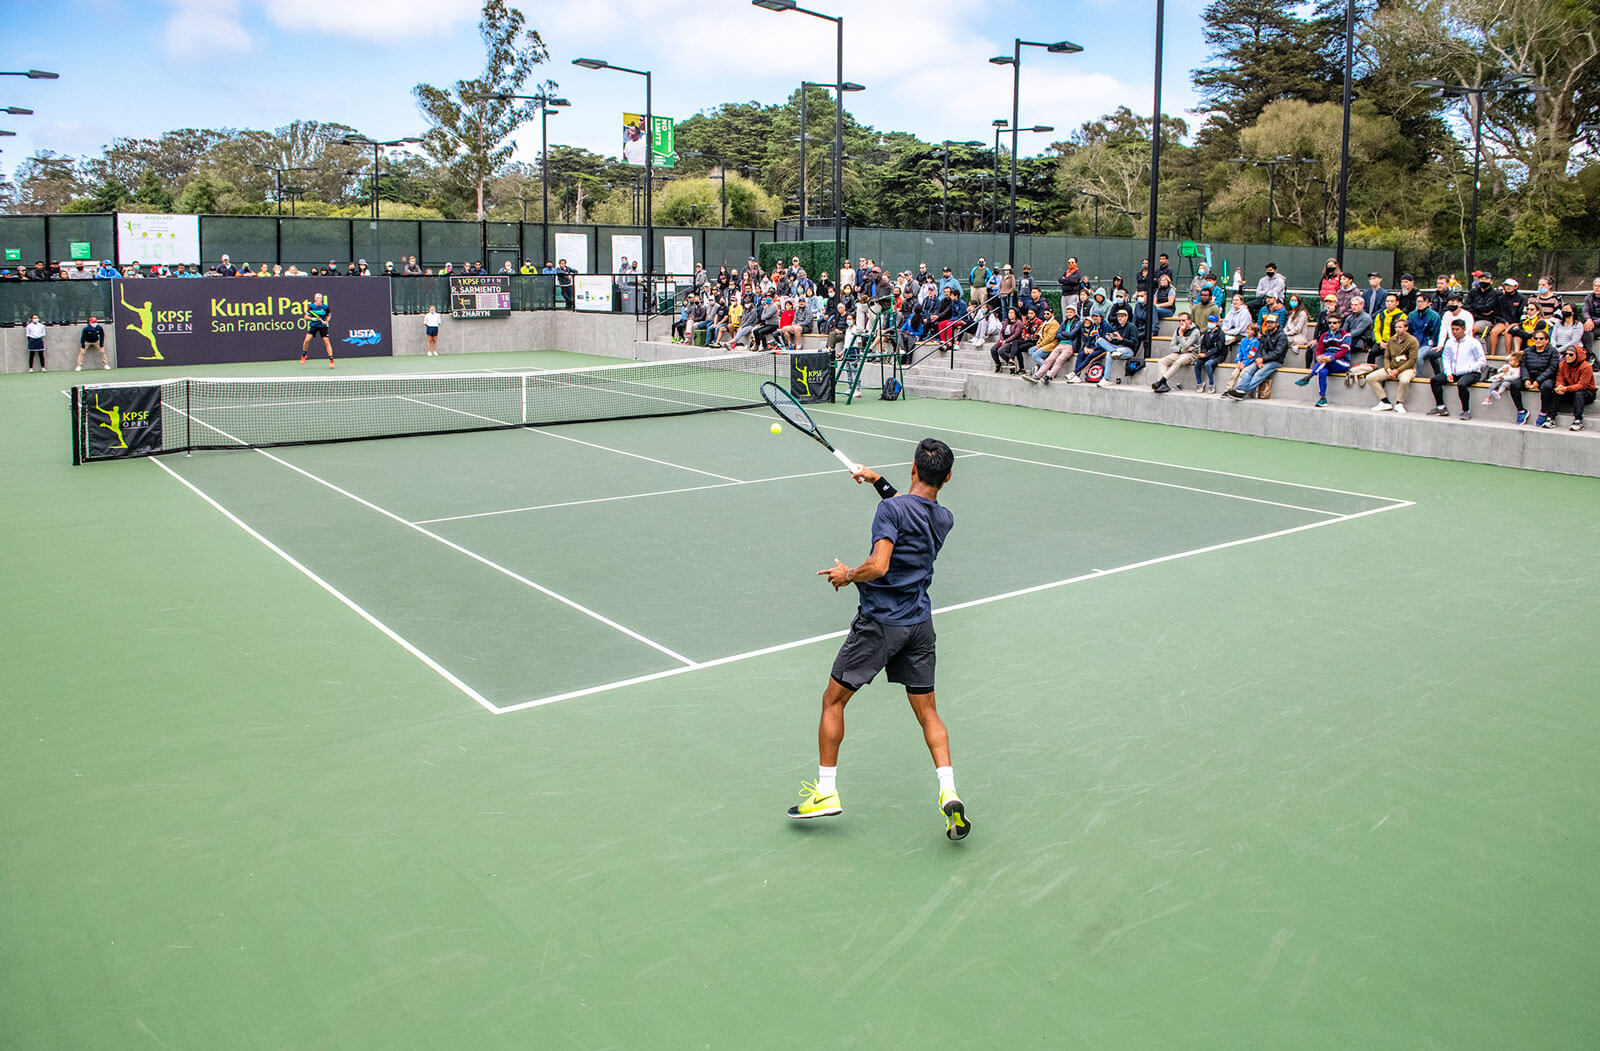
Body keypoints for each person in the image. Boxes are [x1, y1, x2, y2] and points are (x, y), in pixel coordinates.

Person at [787, 439, 968, 842]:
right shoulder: (944, 518)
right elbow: (912, 508)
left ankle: (826, 792)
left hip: (880, 625)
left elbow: (880, 564)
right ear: (949, 477)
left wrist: (848, 574)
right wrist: (877, 480)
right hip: (919, 625)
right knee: (929, 714)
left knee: (832, 700)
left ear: (914, 470)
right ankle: (949, 792)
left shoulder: (891, 510)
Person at [1427, 317, 1485, 419]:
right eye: (1453, 329)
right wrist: (1448, 372)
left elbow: (1482, 360)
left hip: (1471, 372)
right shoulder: (1450, 342)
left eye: (1457, 329)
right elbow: (1446, 358)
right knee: (1435, 380)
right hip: (1454, 372)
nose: (1454, 332)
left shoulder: (1473, 342)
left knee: (1462, 384)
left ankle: (1466, 411)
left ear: (1463, 329)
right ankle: (1441, 407)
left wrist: (1468, 368)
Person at [1224, 312, 1289, 400]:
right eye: (1268, 322)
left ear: (1276, 324)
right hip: (1262, 359)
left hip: (1275, 361)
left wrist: (1263, 359)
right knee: (1247, 370)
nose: (1269, 324)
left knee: (1259, 374)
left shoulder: (1282, 336)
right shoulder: (1265, 334)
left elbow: (1278, 352)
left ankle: (1242, 393)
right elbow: (1260, 349)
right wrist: (1258, 358)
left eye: (1271, 322)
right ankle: (1240, 389)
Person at [1363, 315, 1420, 413]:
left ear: (1406, 328)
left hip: (1406, 368)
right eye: (1396, 327)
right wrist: (1388, 369)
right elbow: (1386, 357)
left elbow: (1412, 360)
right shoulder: (1391, 340)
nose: (1398, 329)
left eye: (1400, 327)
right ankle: (1384, 401)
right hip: (1392, 367)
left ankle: (1399, 403)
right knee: (1370, 378)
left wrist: (1398, 371)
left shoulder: (1412, 341)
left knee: (1404, 380)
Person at [1295, 315, 1352, 407]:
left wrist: (1331, 358)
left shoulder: (1346, 335)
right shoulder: (1324, 335)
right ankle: (1323, 398)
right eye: (1330, 323)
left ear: (1340, 324)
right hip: (1327, 362)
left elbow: (1343, 352)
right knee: (1322, 371)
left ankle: (1309, 376)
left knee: (1326, 355)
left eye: (1334, 323)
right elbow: (1319, 351)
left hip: (1341, 363)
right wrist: (1318, 357)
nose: (1332, 325)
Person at [1548, 342, 1596, 430]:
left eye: (1571, 355)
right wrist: (1559, 387)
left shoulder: (1586, 367)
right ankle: (1551, 418)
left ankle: (1578, 420)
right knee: (1554, 391)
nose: (1567, 356)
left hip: (1587, 393)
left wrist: (1565, 388)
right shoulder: (1562, 365)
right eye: (1566, 354)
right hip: (1569, 391)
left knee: (1579, 393)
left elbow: (1582, 385)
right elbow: (1559, 379)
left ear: (1578, 356)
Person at [1519, 327, 1561, 427]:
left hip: (1546, 377)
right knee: (1514, 385)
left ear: (1547, 340)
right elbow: (1523, 366)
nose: (1538, 340)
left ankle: (1543, 412)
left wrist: (1538, 380)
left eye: (1541, 339)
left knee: (1546, 387)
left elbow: (1552, 368)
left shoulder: (1553, 351)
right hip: (1531, 376)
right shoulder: (1528, 350)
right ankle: (1521, 410)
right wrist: (1526, 379)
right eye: (1536, 338)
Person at [1151, 313, 1201, 393]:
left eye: (1183, 320)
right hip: (1180, 352)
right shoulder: (1178, 329)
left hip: (1191, 354)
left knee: (1178, 362)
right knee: (1162, 361)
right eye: (1179, 320)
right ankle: (1163, 384)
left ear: (1189, 320)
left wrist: (1181, 335)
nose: (1181, 322)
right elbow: (1172, 347)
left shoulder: (1195, 331)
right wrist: (1181, 350)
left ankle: (1161, 381)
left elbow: (1186, 345)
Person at [300, 292, 334, 368]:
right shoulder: (311, 306)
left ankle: (331, 360)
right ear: (315, 299)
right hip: (314, 326)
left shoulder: (325, 307)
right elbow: (305, 317)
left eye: (320, 298)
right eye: (317, 298)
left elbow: (329, 315)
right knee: (306, 340)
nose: (319, 299)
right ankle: (304, 354)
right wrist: (314, 318)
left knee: (327, 342)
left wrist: (327, 321)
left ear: (322, 299)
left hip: (323, 327)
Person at [1192, 316, 1227, 392]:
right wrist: (1204, 352)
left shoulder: (1221, 333)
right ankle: (1199, 383)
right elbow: (1203, 344)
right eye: (1209, 321)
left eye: (1212, 321)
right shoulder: (1206, 332)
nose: (1210, 323)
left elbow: (1218, 348)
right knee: (1196, 363)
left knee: (1208, 364)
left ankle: (1211, 383)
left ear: (1216, 323)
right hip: (1207, 354)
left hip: (1217, 355)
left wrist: (1207, 354)